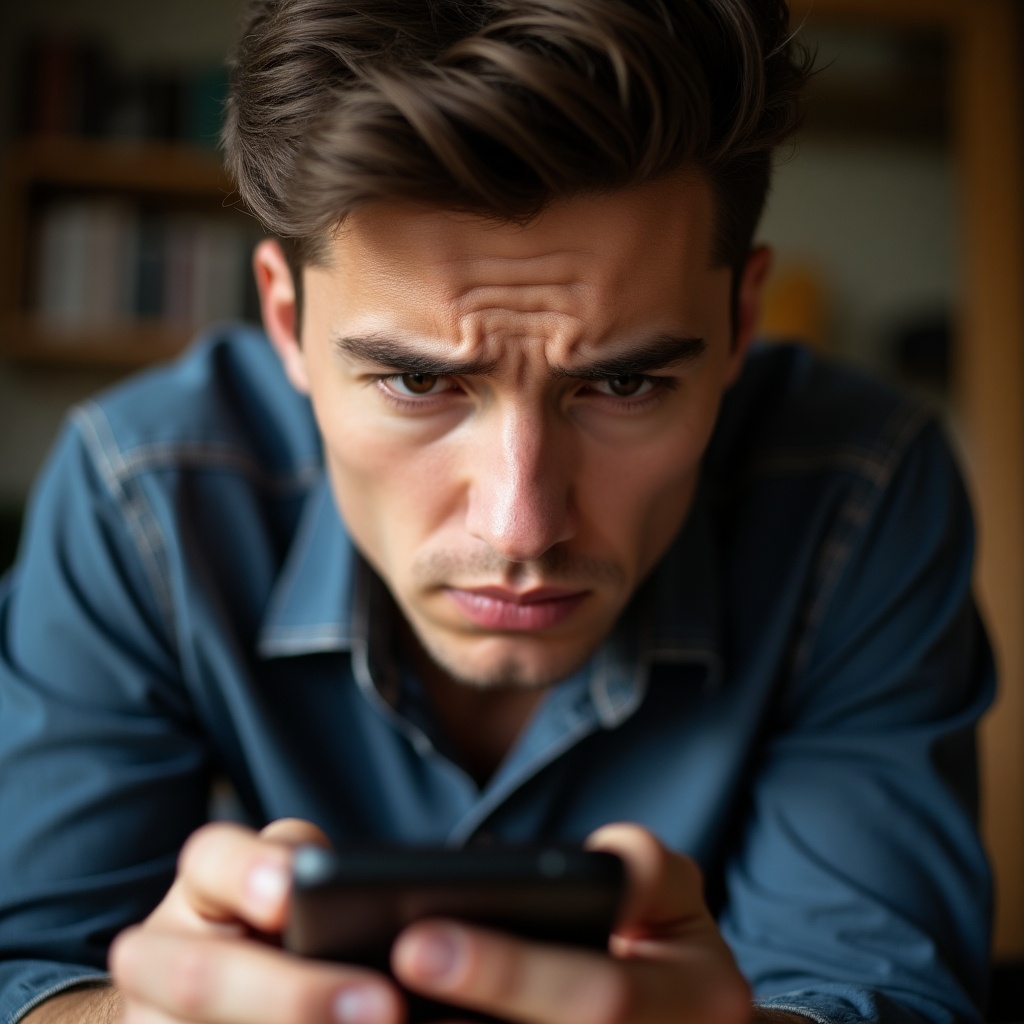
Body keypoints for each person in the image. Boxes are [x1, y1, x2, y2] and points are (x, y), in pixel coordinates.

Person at [0, 2, 994, 1024]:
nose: (519, 529)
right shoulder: (143, 497)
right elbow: (19, 964)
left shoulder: (857, 490)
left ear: (739, 322)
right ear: (288, 322)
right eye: (417, 386)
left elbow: (881, 989)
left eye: (624, 387)